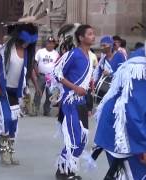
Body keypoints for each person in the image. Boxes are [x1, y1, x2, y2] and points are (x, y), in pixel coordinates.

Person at [94, 12, 146, 178]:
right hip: (124, 136)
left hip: (131, 135)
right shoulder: (143, 69)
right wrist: (143, 148)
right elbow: (132, 112)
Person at [49, 24, 95, 179]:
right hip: (70, 103)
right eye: (89, 34)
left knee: (81, 141)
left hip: (81, 103)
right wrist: (74, 87)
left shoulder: (90, 55)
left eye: (93, 34)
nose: (93, 36)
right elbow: (56, 72)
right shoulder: (73, 54)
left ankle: (68, 170)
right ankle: (62, 172)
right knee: (73, 139)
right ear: (81, 38)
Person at [0, 23, 38, 165]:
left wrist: (35, 86)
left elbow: (29, 71)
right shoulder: (6, 48)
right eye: (25, 41)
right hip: (4, 89)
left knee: (14, 122)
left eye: (29, 43)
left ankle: (11, 152)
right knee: (6, 119)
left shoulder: (27, 53)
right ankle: (3, 151)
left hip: (17, 91)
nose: (27, 44)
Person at [31, 36, 60, 116]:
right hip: (41, 76)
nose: (50, 45)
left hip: (51, 77)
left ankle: (47, 110)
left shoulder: (56, 53)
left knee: (50, 94)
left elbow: (58, 65)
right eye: (49, 43)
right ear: (46, 43)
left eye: (52, 43)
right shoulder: (40, 52)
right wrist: (37, 73)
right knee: (38, 92)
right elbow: (35, 63)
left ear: (54, 45)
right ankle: (35, 109)